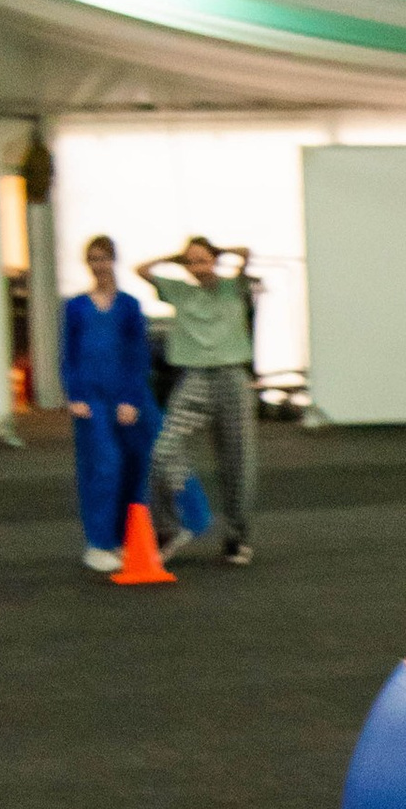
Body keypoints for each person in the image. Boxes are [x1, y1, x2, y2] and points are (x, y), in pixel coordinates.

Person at [139, 236, 260, 566]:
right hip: (195, 378)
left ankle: (237, 538)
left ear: (214, 260)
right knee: (163, 450)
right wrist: (175, 257)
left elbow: (246, 252)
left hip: (232, 377)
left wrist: (219, 253)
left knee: (237, 462)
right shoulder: (179, 290)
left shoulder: (233, 287)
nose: (197, 267)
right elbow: (142, 270)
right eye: (191, 262)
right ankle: (169, 528)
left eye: (203, 260)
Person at [62, 235, 157, 574]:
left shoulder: (129, 306)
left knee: (133, 466)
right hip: (91, 399)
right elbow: (69, 353)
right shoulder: (75, 306)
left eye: (103, 258)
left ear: (113, 260)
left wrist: (132, 398)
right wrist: (74, 395)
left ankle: (123, 537)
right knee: (104, 465)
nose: (99, 265)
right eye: (93, 259)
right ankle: (98, 542)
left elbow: (138, 354)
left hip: (123, 396)